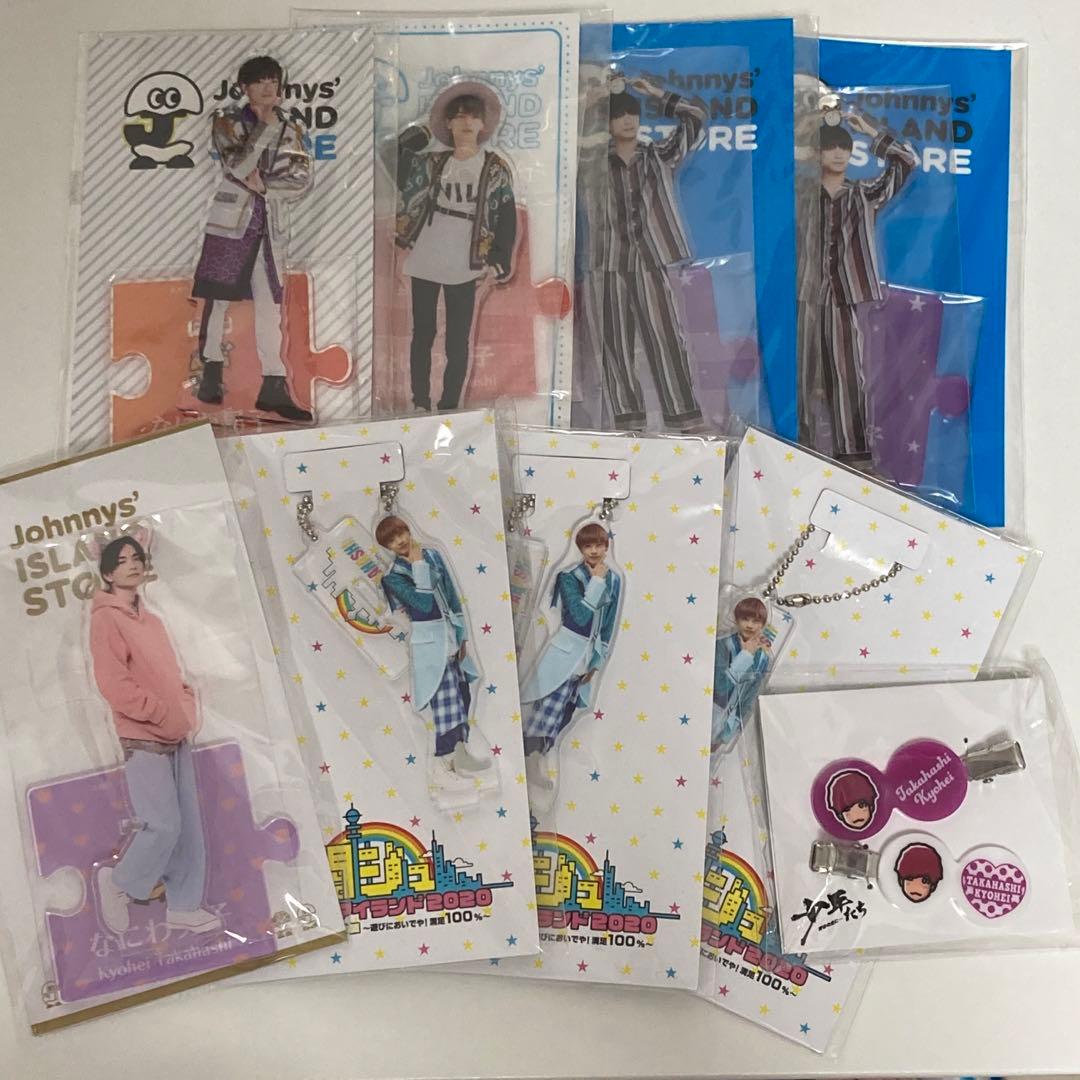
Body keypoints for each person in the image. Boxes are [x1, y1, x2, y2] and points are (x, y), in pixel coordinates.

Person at [90, 535, 222, 936]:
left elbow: (172, 676)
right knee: (162, 824)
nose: (132, 564)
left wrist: (184, 707)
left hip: (175, 734)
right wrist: (159, 713)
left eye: (137, 557)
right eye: (122, 560)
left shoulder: (153, 622)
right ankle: (118, 881)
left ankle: (183, 907)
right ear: (108, 572)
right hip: (142, 737)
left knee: (188, 829)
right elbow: (114, 684)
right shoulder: (106, 619)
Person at [191, 54, 313, 422]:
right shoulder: (227, 121)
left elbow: (301, 180)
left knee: (269, 305)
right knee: (218, 298)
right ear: (244, 87)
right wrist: (266, 132)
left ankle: (274, 385)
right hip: (230, 223)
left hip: (269, 226)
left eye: (273, 81)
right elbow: (238, 165)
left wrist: (265, 186)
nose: (268, 87)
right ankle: (210, 372)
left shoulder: (292, 128)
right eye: (260, 81)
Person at [797, 112, 918, 461]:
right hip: (805, 296)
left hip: (845, 296)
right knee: (801, 375)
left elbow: (906, 161)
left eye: (844, 148)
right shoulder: (802, 194)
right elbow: (771, 173)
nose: (838, 154)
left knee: (848, 373)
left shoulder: (865, 194)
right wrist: (804, 138)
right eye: (830, 147)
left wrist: (867, 129)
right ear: (818, 153)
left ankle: (853, 453)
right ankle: (798, 446)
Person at [393, 81, 517, 412]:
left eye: (473, 116)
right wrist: (419, 132)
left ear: (483, 124)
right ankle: (419, 401)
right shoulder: (431, 163)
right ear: (447, 123)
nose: (466, 122)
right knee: (423, 332)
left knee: (458, 338)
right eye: (459, 116)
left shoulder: (494, 167)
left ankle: (450, 403)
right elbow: (393, 159)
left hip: (467, 257)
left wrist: (499, 257)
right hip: (428, 249)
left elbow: (506, 217)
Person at [598, 76, 706, 433]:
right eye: (618, 115)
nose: (628, 120)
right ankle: (627, 423)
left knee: (666, 338)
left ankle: (685, 417)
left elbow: (696, 117)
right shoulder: (593, 163)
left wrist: (655, 92)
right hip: (608, 262)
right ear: (607, 123)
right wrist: (592, 96)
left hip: (652, 259)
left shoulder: (659, 155)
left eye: (632, 113)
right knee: (615, 344)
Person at [376, 516, 491, 803]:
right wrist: (418, 566)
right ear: (386, 547)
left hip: (451, 640)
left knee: (463, 696)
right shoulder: (393, 577)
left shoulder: (433, 555)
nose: (400, 541)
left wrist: (463, 637)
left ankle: (459, 755)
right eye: (392, 540)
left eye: (401, 533)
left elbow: (451, 596)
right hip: (430, 648)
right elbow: (424, 604)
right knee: (446, 707)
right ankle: (441, 767)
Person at [519, 523, 621, 797]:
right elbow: (579, 616)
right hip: (564, 652)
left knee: (566, 710)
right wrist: (596, 582)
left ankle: (537, 758)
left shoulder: (614, 580)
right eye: (588, 546)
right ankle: (529, 758)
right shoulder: (569, 577)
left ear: (607, 546)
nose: (594, 551)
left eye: (599, 545)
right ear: (580, 548)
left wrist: (597, 662)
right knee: (548, 707)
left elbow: (608, 625)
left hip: (587, 657)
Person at [711, 596, 773, 752]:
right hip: (710, 714)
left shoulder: (762, 658)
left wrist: (733, 728)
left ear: (763, 624)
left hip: (727, 726)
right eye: (745, 619)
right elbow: (720, 687)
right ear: (736, 619)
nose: (750, 625)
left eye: (756, 621)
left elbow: (749, 697)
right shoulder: (723, 644)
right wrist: (745, 656)